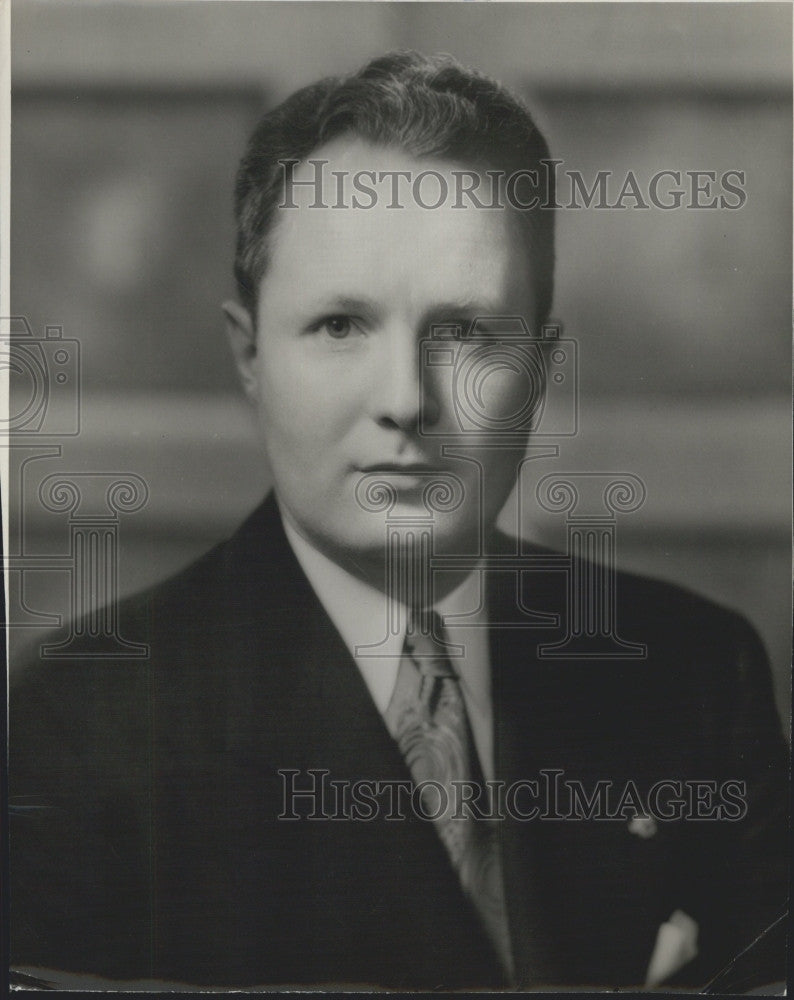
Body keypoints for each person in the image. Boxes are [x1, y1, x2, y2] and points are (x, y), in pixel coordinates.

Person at [9, 51, 788, 991]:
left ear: (540, 372)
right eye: (340, 325)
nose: (408, 400)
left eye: (465, 332)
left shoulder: (696, 674)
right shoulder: (78, 720)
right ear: (250, 355)